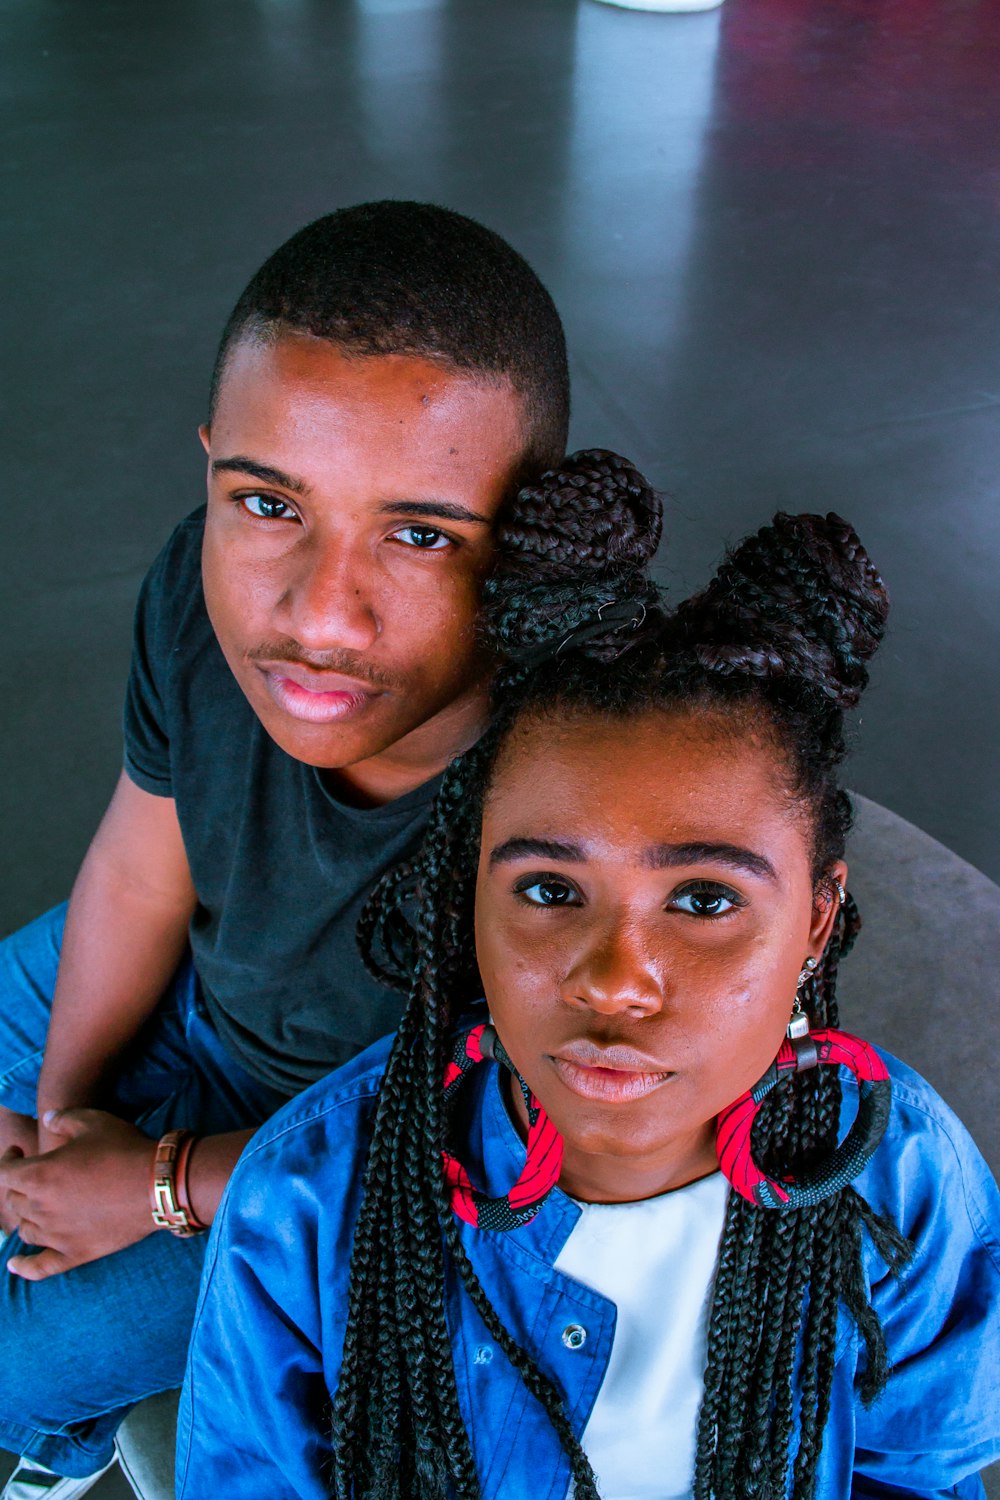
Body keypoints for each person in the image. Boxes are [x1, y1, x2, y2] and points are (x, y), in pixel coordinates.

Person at [0, 199, 664, 1491]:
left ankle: (58, 1437)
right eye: (267, 503)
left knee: (17, 1356)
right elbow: (141, 867)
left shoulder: (573, 800)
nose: (317, 613)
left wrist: (148, 1187)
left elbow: (491, 1155)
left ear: (527, 540)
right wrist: (62, 1113)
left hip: (356, 1148)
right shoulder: (197, 593)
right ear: (210, 468)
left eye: (419, 535)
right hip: (206, 985)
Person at [178, 509, 1000, 1499]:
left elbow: (916, 1472)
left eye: (703, 901)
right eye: (549, 891)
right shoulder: (301, 1207)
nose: (612, 980)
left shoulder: (906, 1182)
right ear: (468, 898)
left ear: (815, 924)